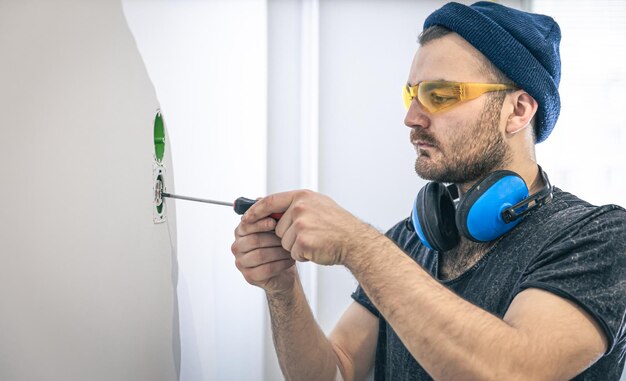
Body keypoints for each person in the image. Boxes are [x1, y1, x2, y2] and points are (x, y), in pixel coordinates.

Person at [231, 2, 626, 380]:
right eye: (412, 94)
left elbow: (510, 371)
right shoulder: (408, 241)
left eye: (439, 95)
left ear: (518, 111)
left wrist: (358, 245)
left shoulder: (597, 238)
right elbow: (336, 371)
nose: (411, 117)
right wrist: (283, 288)